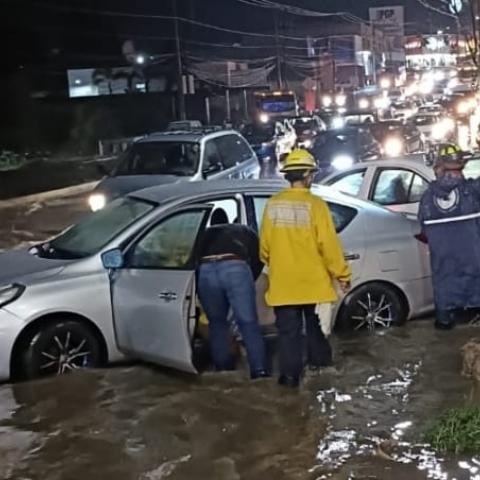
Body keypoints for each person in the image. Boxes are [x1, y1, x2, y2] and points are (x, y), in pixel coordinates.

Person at [259, 149, 352, 387]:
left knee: (288, 333)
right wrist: (342, 274)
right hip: (310, 282)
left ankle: (289, 379)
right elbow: (329, 245)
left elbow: (265, 248)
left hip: (283, 285)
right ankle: (321, 367)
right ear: (308, 175)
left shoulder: (273, 205)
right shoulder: (316, 206)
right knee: (312, 323)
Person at [196, 208, 268, 379]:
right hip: (235, 266)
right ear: (229, 220)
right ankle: (259, 372)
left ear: (211, 223)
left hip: (206, 270)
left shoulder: (203, 234)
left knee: (217, 324)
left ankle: (223, 371)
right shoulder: (242, 230)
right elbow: (259, 258)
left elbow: (191, 262)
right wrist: (248, 278)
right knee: (248, 323)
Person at [419, 143, 480, 329]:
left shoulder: (427, 199)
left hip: (446, 304)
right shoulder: (472, 192)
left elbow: (424, 232)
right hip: (475, 296)